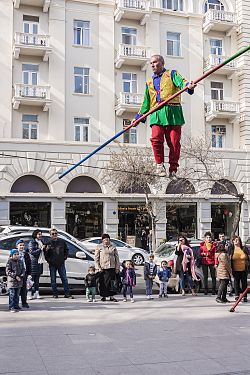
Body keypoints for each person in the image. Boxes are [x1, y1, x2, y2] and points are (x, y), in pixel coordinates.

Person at [133, 54, 196, 179]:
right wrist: (138, 118)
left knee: (174, 142)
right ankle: (159, 164)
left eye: (155, 62)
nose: (152, 65)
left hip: (173, 112)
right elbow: (146, 102)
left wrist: (188, 87)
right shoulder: (149, 82)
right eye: (151, 63)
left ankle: (173, 169)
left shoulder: (172, 74)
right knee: (156, 139)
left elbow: (182, 83)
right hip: (156, 112)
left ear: (162, 62)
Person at [46, 229, 74, 299]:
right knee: (53, 279)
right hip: (52, 264)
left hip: (61, 263)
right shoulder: (48, 243)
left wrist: (64, 258)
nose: (54, 235)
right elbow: (46, 254)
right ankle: (55, 294)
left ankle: (67, 294)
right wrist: (49, 260)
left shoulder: (61, 241)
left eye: (56, 233)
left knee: (64, 279)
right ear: (50, 235)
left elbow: (66, 250)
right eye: (53, 234)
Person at [95, 233, 120, 302]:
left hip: (112, 267)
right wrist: (98, 267)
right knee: (103, 283)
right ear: (102, 240)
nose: (107, 241)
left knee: (111, 283)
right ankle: (104, 296)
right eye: (105, 239)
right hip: (103, 268)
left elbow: (117, 258)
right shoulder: (99, 247)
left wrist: (117, 267)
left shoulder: (113, 246)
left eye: (108, 239)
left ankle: (111, 296)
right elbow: (96, 258)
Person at [28, 229, 46, 299]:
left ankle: (36, 293)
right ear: (35, 235)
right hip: (33, 263)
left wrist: (45, 249)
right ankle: (29, 293)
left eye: (41, 234)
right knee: (31, 279)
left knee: (37, 280)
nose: (40, 235)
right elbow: (32, 252)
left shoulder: (41, 242)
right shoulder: (32, 242)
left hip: (39, 262)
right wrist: (41, 249)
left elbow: (42, 252)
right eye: (39, 234)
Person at [230, 235, 249, 302]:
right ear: (232, 241)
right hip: (235, 269)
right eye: (234, 240)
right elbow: (228, 258)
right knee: (236, 283)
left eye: (237, 239)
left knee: (244, 283)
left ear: (239, 241)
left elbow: (248, 257)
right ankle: (237, 296)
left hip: (244, 269)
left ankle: (245, 296)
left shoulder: (244, 248)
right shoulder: (231, 249)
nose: (236, 241)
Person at [16, 239, 31, 308]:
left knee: (24, 289)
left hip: (24, 273)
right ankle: (15, 304)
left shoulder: (26, 254)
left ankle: (24, 302)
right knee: (16, 289)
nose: (22, 247)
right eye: (20, 245)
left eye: (23, 245)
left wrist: (29, 273)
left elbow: (29, 264)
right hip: (17, 274)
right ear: (17, 246)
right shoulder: (15, 254)